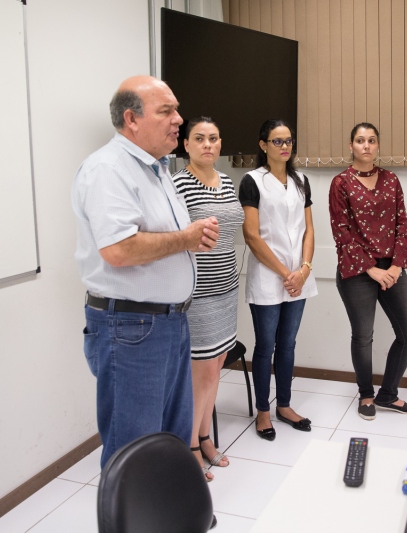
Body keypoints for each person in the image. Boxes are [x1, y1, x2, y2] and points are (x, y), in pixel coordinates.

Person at [71, 76, 220, 467]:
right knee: (133, 447)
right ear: (131, 119)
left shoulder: (157, 169)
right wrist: (186, 239)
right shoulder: (108, 169)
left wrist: (191, 238)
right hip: (131, 327)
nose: (179, 119)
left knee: (170, 436)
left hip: (169, 323)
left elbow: (161, 237)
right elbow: (119, 249)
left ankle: (166, 514)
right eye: (166, 111)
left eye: (176, 109)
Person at [329, 122, 407, 421]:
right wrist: (372, 270)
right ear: (351, 146)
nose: (366, 145)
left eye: (371, 140)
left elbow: (401, 226)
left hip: (392, 267)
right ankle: (366, 394)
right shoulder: (341, 183)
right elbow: (341, 233)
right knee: (363, 336)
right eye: (360, 140)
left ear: (378, 146)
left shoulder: (392, 180)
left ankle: (388, 394)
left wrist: (395, 267)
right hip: (357, 272)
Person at [172, 117, 244, 480]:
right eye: (199, 139)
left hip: (226, 288)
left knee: (216, 368)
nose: (207, 145)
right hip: (197, 294)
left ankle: (205, 438)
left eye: (213, 138)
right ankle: (189, 448)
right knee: (199, 374)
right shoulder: (178, 184)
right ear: (186, 144)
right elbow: (173, 238)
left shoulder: (227, 180)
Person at [238, 119, 318, 441]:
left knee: (287, 345)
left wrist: (305, 268)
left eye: (288, 141)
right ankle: (263, 411)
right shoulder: (252, 181)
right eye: (276, 141)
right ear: (263, 145)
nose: (284, 147)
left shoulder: (301, 180)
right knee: (266, 346)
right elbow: (252, 236)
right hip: (269, 278)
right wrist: (287, 274)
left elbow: (309, 229)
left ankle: (284, 405)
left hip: (299, 276)